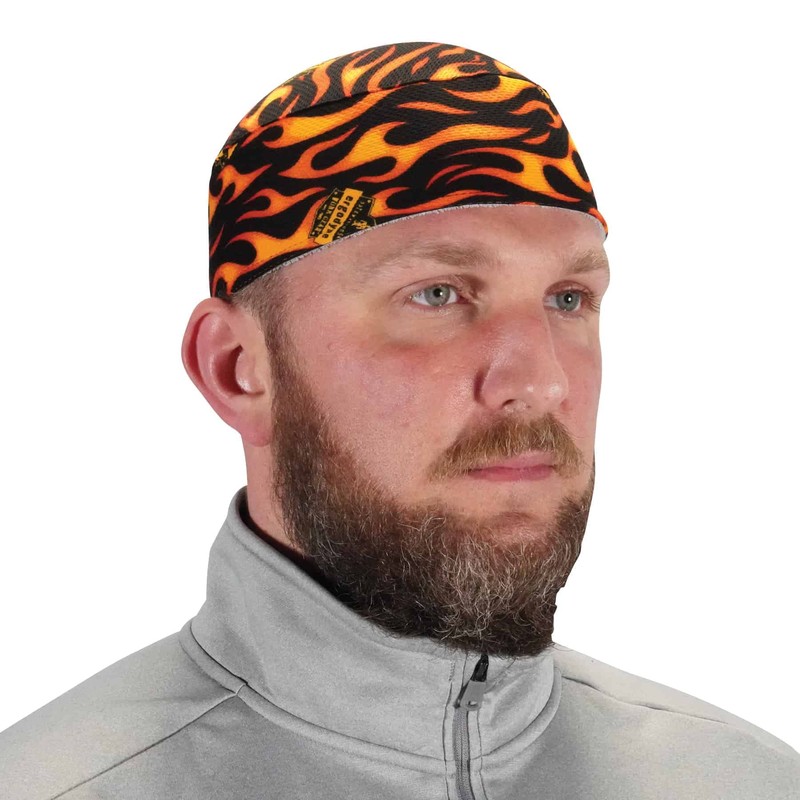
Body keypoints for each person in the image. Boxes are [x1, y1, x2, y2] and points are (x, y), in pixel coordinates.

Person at [1, 40, 797, 800]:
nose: (542, 382)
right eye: (438, 294)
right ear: (238, 369)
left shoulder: (743, 781)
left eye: (568, 299)